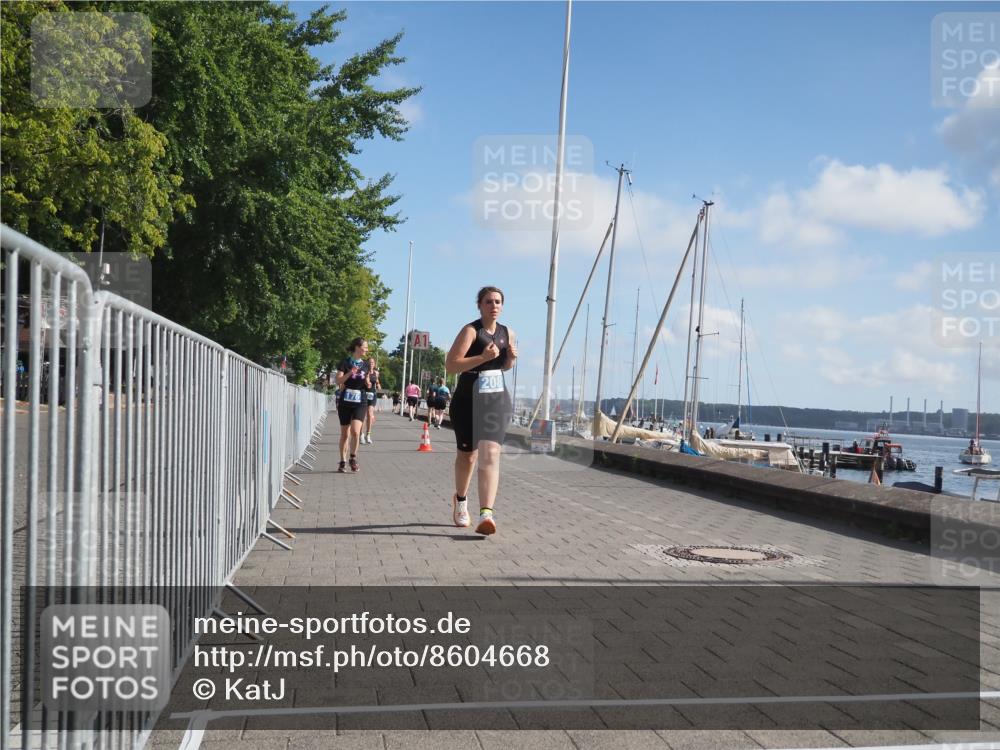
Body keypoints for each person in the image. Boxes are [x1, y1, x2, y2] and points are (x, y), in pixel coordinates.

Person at [446, 286, 517, 535]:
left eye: (498, 301)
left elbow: (504, 366)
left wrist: (510, 359)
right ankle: (461, 500)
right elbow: (451, 365)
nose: (493, 306)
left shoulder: (508, 333)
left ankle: (486, 513)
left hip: (496, 399)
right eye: (488, 301)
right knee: (468, 456)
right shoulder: (470, 331)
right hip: (467, 399)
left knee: (491, 453)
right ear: (480, 305)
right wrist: (482, 358)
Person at [334, 338, 372, 473]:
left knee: (355, 431)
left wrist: (368, 383)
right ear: (357, 347)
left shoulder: (366, 364)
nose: (367, 349)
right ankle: (342, 461)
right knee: (345, 434)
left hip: (360, 400)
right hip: (345, 400)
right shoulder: (345, 362)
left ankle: (353, 458)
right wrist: (350, 372)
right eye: (365, 347)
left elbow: (367, 381)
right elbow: (338, 380)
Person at [362, 357, 381, 444]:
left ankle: (368, 435)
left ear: (374, 364)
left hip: (372, 395)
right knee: (362, 416)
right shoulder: (364, 372)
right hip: (364, 394)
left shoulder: (376, 373)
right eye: (369, 362)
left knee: (370, 414)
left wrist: (378, 385)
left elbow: (377, 381)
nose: (371, 364)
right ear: (367, 363)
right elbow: (367, 381)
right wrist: (368, 382)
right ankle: (361, 434)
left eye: (372, 362)